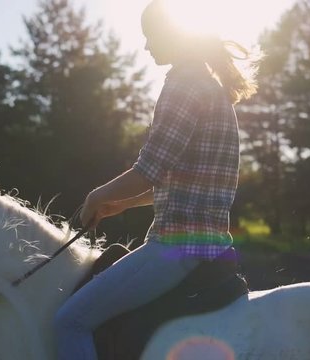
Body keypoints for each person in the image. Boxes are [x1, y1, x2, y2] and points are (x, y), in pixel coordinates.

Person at [53, 0, 260, 358]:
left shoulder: (184, 85)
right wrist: (124, 203)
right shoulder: (209, 86)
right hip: (209, 246)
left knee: (69, 322)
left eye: (151, 36)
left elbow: (149, 169)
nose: (147, 45)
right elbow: (180, 180)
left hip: (175, 248)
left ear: (173, 35)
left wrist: (95, 197)